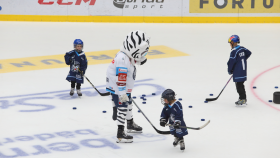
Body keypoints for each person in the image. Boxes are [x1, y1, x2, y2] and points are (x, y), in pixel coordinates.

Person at [106, 30, 149, 143]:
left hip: (123, 87)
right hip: (119, 88)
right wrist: (122, 93)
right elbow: (120, 78)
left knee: (128, 103)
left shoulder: (127, 55)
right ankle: (120, 133)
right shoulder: (122, 59)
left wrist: (140, 58)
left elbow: (134, 59)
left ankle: (130, 124)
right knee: (123, 106)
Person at [227, 35, 252, 105]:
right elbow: (249, 53)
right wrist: (242, 59)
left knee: (239, 86)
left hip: (238, 71)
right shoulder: (242, 48)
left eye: (230, 43)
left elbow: (231, 63)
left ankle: (243, 99)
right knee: (240, 85)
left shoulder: (234, 52)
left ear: (233, 42)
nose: (229, 45)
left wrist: (229, 70)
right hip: (243, 71)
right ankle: (242, 98)